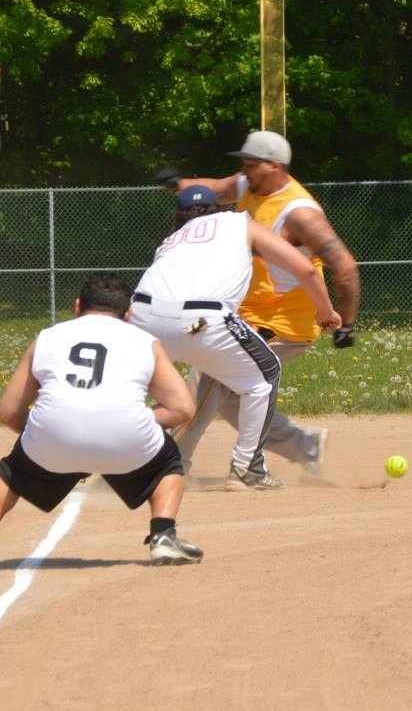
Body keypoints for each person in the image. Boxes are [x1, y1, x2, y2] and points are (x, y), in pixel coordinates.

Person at [0, 273, 203, 571]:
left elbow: (7, 412)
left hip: (52, 438)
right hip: (127, 439)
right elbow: (183, 409)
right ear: (128, 314)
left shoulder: (48, 337)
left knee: (11, 471)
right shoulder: (145, 342)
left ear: (77, 306)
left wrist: (44, 433)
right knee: (169, 462)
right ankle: (163, 536)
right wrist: (137, 420)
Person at [164, 131, 360, 475]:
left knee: (209, 374)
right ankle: (305, 446)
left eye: (251, 165)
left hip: (283, 322)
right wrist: (178, 183)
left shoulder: (300, 214)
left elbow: (344, 266)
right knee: (227, 396)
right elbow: (213, 189)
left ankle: (171, 463)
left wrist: (346, 323)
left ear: (275, 166)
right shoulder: (248, 186)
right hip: (242, 314)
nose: (244, 171)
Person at [129, 185, 342, 489]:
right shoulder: (239, 222)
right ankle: (248, 469)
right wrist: (326, 312)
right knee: (263, 376)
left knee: (137, 388)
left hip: (144, 316)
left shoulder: (172, 240)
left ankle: (111, 451)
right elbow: (305, 269)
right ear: (218, 208)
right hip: (201, 320)